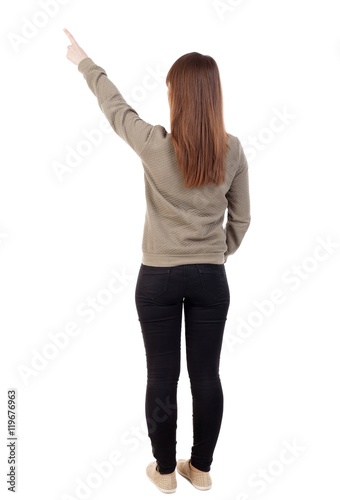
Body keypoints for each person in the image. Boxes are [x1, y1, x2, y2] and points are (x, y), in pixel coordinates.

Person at [64, 28, 251, 494]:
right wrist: (214, 254)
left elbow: (115, 107)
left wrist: (84, 61)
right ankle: (201, 469)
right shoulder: (232, 150)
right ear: (213, 98)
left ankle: (165, 472)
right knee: (207, 374)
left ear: (177, 97)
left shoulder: (152, 143)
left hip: (158, 281)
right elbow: (243, 219)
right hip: (211, 279)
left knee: (161, 375)